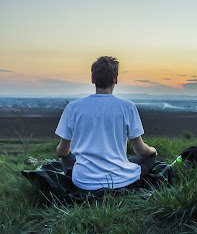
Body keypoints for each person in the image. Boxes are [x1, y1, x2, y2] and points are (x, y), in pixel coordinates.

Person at [55, 56, 157, 191]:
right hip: (120, 180)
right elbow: (140, 150)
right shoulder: (127, 107)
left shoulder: (73, 108)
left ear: (93, 80)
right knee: (148, 158)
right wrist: (153, 151)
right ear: (115, 79)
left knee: (67, 156)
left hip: (83, 182)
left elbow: (62, 151)